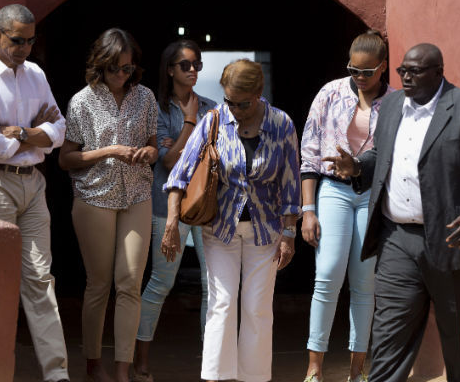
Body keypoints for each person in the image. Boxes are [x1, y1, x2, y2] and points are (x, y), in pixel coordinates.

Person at [325, 43, 460, 382]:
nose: (406, 76)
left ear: (439, 72)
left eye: (415, 70)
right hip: (396, 239)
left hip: (449, 239)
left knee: (456, 334)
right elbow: (382, 156)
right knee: (388, 335)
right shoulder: (394, 104)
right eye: (402, 70)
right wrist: (356, 167)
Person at [162, 59, 301, 382]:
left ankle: (254, 378)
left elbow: (291, 182)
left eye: (243, 103)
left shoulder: (281, 124)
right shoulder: (213, 121)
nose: (235, 109)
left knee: (257, 308)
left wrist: (290, 233)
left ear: (259, 93)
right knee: (222, 303)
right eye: (229, 101)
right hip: (220, 229)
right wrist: (171, 224)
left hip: (266, 230)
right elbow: (178, 176)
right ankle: (216, 377)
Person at [0, 4, 69, 382]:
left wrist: (21, 133)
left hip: (32, 183)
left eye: (30, 40)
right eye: (16, 40)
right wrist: (38, 137)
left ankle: (57, 376)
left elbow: (60, 127)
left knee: (41, 280)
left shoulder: (35, 74)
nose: (24, 47)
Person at [58, 28, 157, 382]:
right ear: (101, 65)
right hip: (94, 197)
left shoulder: (144, 97)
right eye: (115, 68)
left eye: (127, 69)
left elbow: (153, 145)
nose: (121, 75)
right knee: (99, 283)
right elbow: (66, 159)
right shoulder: (82, 101)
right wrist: (110, 151)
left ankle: (122, 370)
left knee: (130, 283)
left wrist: (149, 152)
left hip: (136, 195)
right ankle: (93, 363)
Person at [299, 30, 394, 382]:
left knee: (364, 281)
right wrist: (308, 210)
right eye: (353, 70)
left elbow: (395, 155)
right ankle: (314, 368)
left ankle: (358, 371)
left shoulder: (396, 102)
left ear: (383, 67)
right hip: (333, 190)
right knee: (327, 274)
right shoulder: (331, 92)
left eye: (367, 72)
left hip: (371, 193)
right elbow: (308, 154)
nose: (359, 78)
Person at [132, 39, 216, 382]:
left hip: (206, 202)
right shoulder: (159, 108)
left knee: (213, 286)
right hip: (165, 205)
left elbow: (212, 155)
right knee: (160, 284)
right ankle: (141, 361)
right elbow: (167, 161)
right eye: (186, 65)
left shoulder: (213, 107)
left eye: (197, 64)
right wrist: (191, 124)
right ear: (170, 69)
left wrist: (181, 144)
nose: (193, 70)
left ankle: (211, 364)